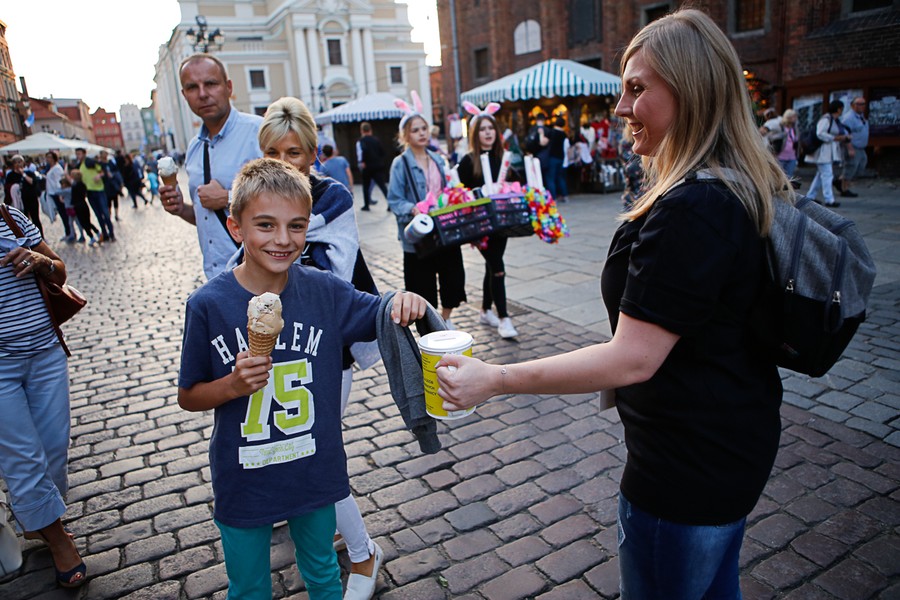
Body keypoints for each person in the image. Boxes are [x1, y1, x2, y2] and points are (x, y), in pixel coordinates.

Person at [437, 9, 792, 599]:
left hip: (686, 468)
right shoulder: (729, 184)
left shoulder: (692, 207)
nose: (621, 108)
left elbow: (633, 358)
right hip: (728, 444)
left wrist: (495, 378)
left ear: (691, 90)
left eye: (636, 88)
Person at [177, 157, 426, 600]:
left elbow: (377, 310)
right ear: (236, 228)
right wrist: (232, 385)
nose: (282, 239)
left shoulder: (324, 291)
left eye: (296, 226)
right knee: (249, 587)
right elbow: (189, 396)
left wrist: (401, 300)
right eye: (265, 225)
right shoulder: (207, 305)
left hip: (315, 470)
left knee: (325, 575)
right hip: (244, 479)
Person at [254, 96, 382, 599]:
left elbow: (333, 271)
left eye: (295, 152)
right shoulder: (258, 198)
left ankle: (364, 550)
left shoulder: (330, 197)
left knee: (316, 447)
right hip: (278, 343)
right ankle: (329, 529)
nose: (287, 163)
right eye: (275, 153)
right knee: (296, 440)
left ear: (312, 152)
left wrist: (277, 249)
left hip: (329, 343)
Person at [0, 204, 87, 588]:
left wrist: (40, 261)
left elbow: (60, 269)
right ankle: (58, 541)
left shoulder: (12, 217)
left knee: (54, 449)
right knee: (23, 457)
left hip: (46, 352)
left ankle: (37, 518)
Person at [160, 53, 263, 280]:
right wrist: (181, 209)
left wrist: (227, 198)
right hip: (217, 277)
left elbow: (290, 201)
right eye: (192, 87)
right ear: (184, 95)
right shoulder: (195, 148)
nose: (203, 94)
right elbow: (205, 217)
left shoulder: (258, 133)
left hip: (260, 275)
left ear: (228, 87)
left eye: (210, 84)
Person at [388, 111, 466, 329]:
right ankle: (430, 329)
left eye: (424, 128)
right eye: (415, 130)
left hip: (442, 229)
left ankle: (446, 318)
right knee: (421, 286)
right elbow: (394, 199)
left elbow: (446, 190)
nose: (421, 133)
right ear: (406, 135)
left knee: (453, 278)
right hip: (418, 234)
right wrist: (413, 209)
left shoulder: (437, 159)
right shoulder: (400, 163)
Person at [456, 105, 520, 339]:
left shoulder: (502, 159)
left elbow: (517, 185)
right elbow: (458, 193)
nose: (487, 133)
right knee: (498, 268)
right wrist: (476, 194)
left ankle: (485, 310)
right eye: (482, 129)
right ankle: (504, 317)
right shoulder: (467, 161)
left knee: (492, 266)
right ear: (475, 134)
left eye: (490, 128)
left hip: (501, 225)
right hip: (480, 227)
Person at [805, 100, 850, 208]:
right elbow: (820, 133)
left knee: (821, 175)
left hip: (827, 151)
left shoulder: (833, 120)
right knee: (827, 174)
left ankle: (810, 196)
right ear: (839, 109)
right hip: (822, 151)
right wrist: (834, 138)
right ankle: (829, 199)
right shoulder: (826, 119)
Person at [75, 148, 115, 242]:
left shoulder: (90, 162)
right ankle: (105, 234)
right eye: (77, 154)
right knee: (98, 215)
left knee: (105, 213)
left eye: (79, 154)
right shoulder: (79, 166)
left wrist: (99, 176)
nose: (78, 156)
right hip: (89, 193)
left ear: (84, 154)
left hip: (99, 190)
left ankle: (112, 234)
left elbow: (102, 171)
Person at [839, 96, 869, 198]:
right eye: (859, 104)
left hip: (861, 147)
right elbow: (845, 134)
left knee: (861, 165)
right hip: (853, 146)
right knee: (851, 166)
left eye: (863, 104)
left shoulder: (861, 117)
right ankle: (844, 189)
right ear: (853, 105)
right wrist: (850, 148)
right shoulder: (849, 118)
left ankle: (839, 181)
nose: (861, 106)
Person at [356, 122, 388, 211]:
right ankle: (390, 204)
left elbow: (361, 153)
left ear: (362, 131)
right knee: (382, 186)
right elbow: (382, 152)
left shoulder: (361, 141)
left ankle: (366, 205)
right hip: (377, 165)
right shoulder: (376, 140)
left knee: (366, 186)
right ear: (370, 130)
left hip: (367, 166)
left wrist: (362, 161)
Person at [541, 116, 570, 203]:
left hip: (552, 158)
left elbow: (543, 142)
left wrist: (541, 134)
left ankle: (553, 198)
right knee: (561, 178)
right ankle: (565, 195)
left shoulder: (551, 132)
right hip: (561, 158)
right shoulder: (564, 134)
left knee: (550, 178)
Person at [68, 170, 100, 246]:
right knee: (87, 221)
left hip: (78, 206)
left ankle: (92, 236)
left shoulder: (75, 185)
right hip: (84, 204)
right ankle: (97, 232)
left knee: (83, 223)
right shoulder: (82, 184)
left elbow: (73, 197)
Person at [44, 152, 72, 242]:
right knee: (62, 214)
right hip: (54, 193)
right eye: (47, 157)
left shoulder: (57, 168)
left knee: (64, 214)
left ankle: (69, 232)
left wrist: (60, 194)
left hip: (57, 194)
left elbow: (59, 182)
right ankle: (68, 232)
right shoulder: (51, 168)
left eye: (49, 157)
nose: (47, 159)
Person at [773, 109, 801, 179]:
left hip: (792, 156)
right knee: (779, 177)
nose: (795, 118)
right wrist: (782, 135)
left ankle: (787, 190)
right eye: (793, 116)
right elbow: (771, 137)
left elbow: (797, 140)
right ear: (788, 117)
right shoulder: (780, 126)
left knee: (789, 178)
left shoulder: (795, 128)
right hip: (780, 156)